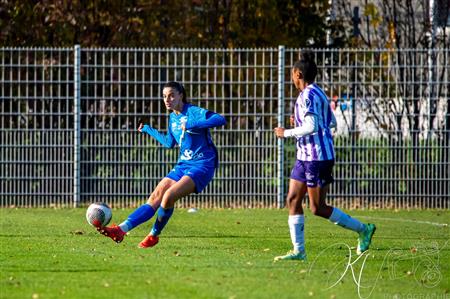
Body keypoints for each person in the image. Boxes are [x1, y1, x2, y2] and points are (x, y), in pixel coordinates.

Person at [273, 52, 376, 261]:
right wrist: (301, 124)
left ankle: (363, 229)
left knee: (317, 207)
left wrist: (288, 132)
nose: (291, 78)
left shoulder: (309, 95)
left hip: (317, 157)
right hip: (305, 156)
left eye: (292, 74)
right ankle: (298, 251)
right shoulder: (317, 93)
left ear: (298, 74)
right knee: (293, 199)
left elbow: (312, 126)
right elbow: (331, 123)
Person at [97, 81, 226, 248]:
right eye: (165, 96)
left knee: (168, 196)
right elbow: (169, 143)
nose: (168, 99)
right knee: (156, 196)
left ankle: (153, 235)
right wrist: (149, 130)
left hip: (202, 165)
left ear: (181, 95)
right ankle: (120, 230)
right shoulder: (173, 117)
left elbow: (220, 119)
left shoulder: (193, 112)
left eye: (172, 95)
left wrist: (193, 124)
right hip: (183, 164)